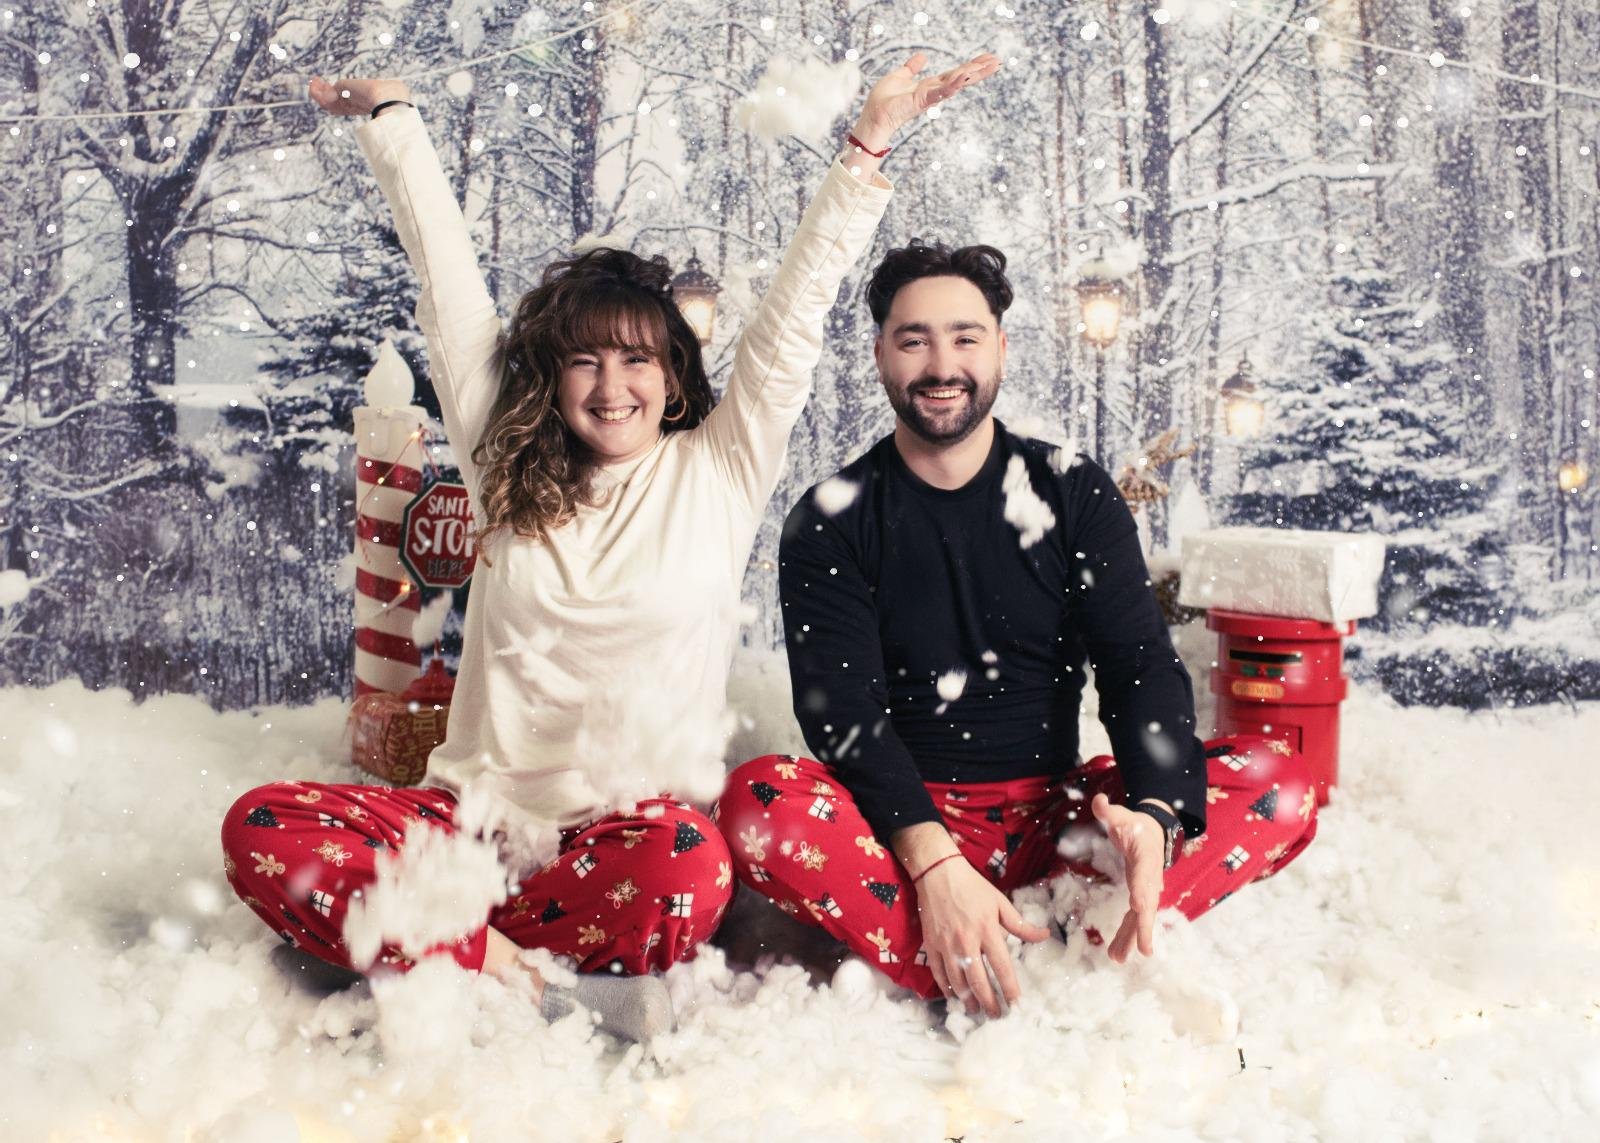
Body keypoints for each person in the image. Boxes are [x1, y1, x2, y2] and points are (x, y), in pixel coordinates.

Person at [220, 55, 1000, 1041]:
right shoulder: (505, 467)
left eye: (637, 358)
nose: (611, 385)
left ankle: (438, 952)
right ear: (550, 377)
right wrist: (392, 117)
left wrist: (867, 146)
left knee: (692, 862)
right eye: (583, 360)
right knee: (260, 826)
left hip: (627, 849)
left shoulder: (718, 470)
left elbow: (794, 315)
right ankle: (501, 964)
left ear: (674, 377)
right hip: (464, 836)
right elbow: (446, 285)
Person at [715, 240, 1319, 1018]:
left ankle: (1024, 943)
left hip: (1058, 824)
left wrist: (1157, 818)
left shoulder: (1072, 491)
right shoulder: (832, 518)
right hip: (899, 830)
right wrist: (933, 862)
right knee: (758, 800)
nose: (942, 363)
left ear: (1000, 346)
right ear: (879, 356)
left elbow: (1138, 665)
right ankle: (1034, 960)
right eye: (914, 339)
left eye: (965, 337)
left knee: (1282, 779)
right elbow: (844, 717)